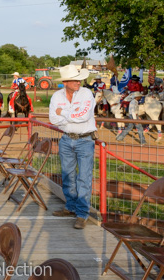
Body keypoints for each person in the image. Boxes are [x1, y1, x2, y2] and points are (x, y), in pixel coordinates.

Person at [49, 64, 97, 230]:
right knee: (68, 175)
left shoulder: (86, 93)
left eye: (79, 79)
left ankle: (82, 213)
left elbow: (84, 116)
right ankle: (71, 207)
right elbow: (53, 119)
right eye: (75, 80)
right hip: (67, 139)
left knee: (84, 177)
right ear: (66, 81)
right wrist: (71, 115)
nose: (79, 82)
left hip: (85, 140)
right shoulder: (57, 96)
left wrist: (63, 112)